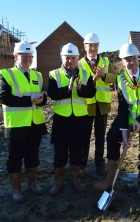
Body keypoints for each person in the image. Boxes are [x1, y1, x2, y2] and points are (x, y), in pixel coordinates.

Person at [94, 43, 140, 199]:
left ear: (138, 59)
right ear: (122, 62)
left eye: (133, 58)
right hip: (130, 118)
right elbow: (123, 108)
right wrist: (124, 132)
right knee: (112, 137)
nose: (131, 62)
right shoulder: (120, 79)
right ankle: (111, 180)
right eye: (127, 60)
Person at [0, 41, 47, 203]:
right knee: (15, 159)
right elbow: (4, 98)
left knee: (32, 157)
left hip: (35, 124)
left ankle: (32, 185)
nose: (27, 59)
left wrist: (42, 99)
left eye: (30, 56)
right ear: (15, 57)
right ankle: (17, 191)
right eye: (24, 56)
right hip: (17, 125)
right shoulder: (6, 74)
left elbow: (41, 96)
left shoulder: (37, 75)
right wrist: (30, 99)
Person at [47, 43, 96, 196]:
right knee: (60, 152)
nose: (70, 61)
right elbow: (52, 93)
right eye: (67, 58)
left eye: (73, 58)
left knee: (77, 152)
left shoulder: (86, 74)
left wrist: (81, 89)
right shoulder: (54, 74)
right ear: (62, 58)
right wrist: (67, 90)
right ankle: (58, 183)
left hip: (80, 119)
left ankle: (76, 181)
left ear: (77, 58)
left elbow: (91, 93)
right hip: (61, 119)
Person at [78, 33, 117, 177]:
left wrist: (104, 75)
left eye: (95, 45)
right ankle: (82, 164)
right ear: (85, 46)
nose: (93, 48)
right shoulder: (79, 63)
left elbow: (116, 78)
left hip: (102, 105)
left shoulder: (105, 61)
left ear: (98, 47)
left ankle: (99, 164)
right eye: (90, 45)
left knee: (100, 137)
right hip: (86, 105)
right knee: (85, 137)